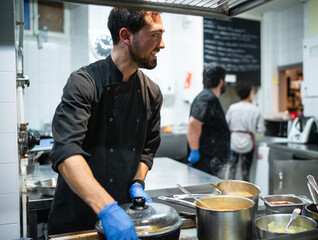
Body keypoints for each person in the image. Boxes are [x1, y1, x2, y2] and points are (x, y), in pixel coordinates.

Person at [48, 8, 165, 240]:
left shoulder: (151, 92)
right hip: (76, 223)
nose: (162, 44)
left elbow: (147, 150)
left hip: (124, 218)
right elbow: (66, 151)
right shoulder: (84, 82)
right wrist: (107, 209)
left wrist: (137, 182)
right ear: (125, 36)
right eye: (155, 35)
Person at [187, 62, 230, 177]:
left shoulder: (208, 97)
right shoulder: (207, 98)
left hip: (212, 162)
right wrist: (194, 151)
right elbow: (194, 123)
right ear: (221, 81)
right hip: (206, 163)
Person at [226, 81, 265, 181]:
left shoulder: (232, 108)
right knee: (245, 172)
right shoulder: (256, 109)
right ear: (250, 93)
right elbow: (261, 129)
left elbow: (226, 125)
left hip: (233, 142)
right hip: (248, 143)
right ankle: (246, 193)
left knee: (232, 170)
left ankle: (230, 191)